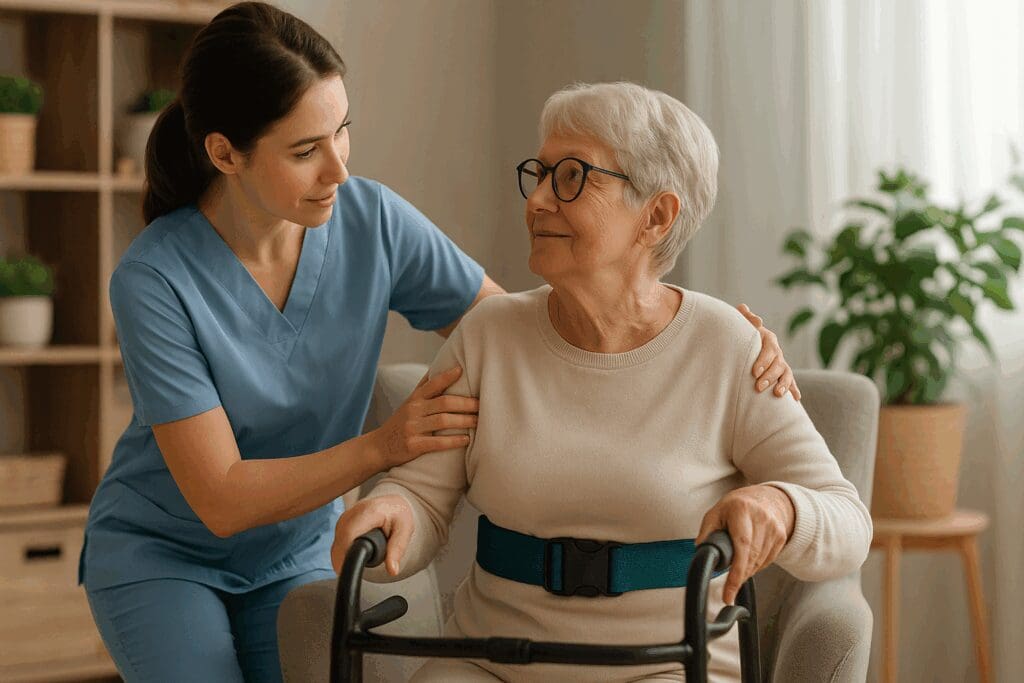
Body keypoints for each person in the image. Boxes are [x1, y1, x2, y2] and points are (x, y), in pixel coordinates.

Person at [78, 4, 799, 681]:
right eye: (305, 150)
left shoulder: (372, 221)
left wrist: (711, 338)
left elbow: (525, 330)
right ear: (224, 154)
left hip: (297, 547)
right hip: (166, 549)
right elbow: (222, 497)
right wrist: (381, 448)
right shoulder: (154, 278)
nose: (339, 168)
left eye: (341, 130)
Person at [331, 82, 873, 683]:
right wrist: (390, 511)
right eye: (538, 173)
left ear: (656, 216)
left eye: (569, 177)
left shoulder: (726, 347)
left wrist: (782, 506)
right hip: (493, 665)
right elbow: (425, 499)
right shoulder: (488, 335)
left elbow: (847, 522)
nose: (537, 199)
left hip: (667, 667)